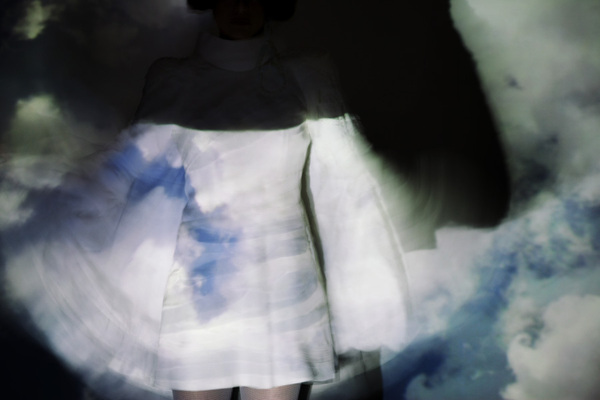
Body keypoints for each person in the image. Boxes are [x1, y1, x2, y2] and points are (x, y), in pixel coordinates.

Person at [1, 1, 430, 399]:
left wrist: (382, 264)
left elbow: (348, 178)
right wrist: (43, 190)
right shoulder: (175, 79)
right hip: (197, 299)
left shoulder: (307, 76)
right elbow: (124, 171)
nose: (241, 5)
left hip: (286, 298)